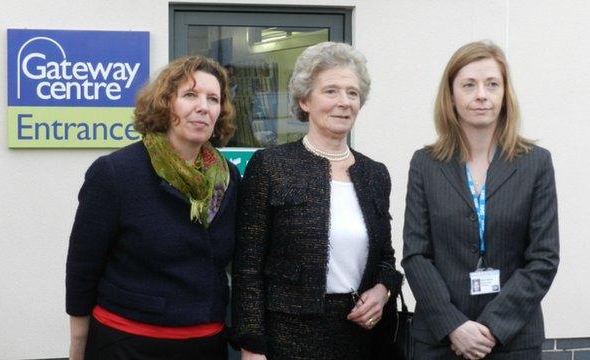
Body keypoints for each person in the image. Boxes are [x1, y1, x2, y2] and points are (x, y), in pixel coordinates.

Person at [231, 42, 403, 360]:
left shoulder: (375, 174)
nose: (344, 102)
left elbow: (386, 259)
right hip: (286, 340)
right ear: (304, 100)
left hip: (359, 340)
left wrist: (383, 290)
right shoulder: (270, 166)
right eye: (331, 91)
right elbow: (247, 267)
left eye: (352, 93)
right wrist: (251, 345)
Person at [66, 56, 239, 360]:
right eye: (190, 95)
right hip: (127, 345)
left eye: (213, 99)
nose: (203, 107)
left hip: (207, 345)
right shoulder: (115, 173)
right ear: (165, 104)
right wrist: (78, 344)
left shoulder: (228, 177)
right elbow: (83, 267)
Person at [402, 41, 559, 360]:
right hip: (440, 340)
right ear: (451, 95)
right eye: (469, 85)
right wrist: (454, 326)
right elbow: (416, 254)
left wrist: (492, 327)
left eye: (492, 84)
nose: (481, 95)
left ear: (505, 93)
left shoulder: (536, 163)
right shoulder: (425, 163)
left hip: (512, 340)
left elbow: (543, 257)